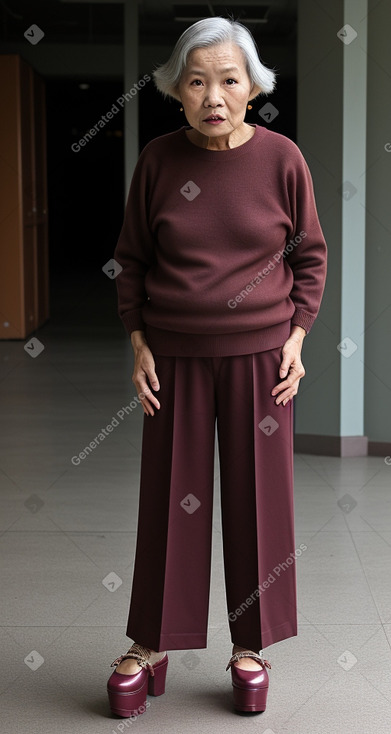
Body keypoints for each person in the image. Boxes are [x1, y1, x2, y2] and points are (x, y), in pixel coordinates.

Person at [107, 15, 327, 717]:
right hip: (173, 354)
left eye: (228, 80)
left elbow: (308, 256)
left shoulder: (282, 159)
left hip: (261, 358)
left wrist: (297, 336)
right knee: (171, 499)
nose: (213, 94)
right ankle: (152, 643)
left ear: (251, 86)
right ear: (176, 90)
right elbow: (131, 262)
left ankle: (250, 647)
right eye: (196, 81)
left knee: (257, 500)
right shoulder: (159, 161)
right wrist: (137, 341)